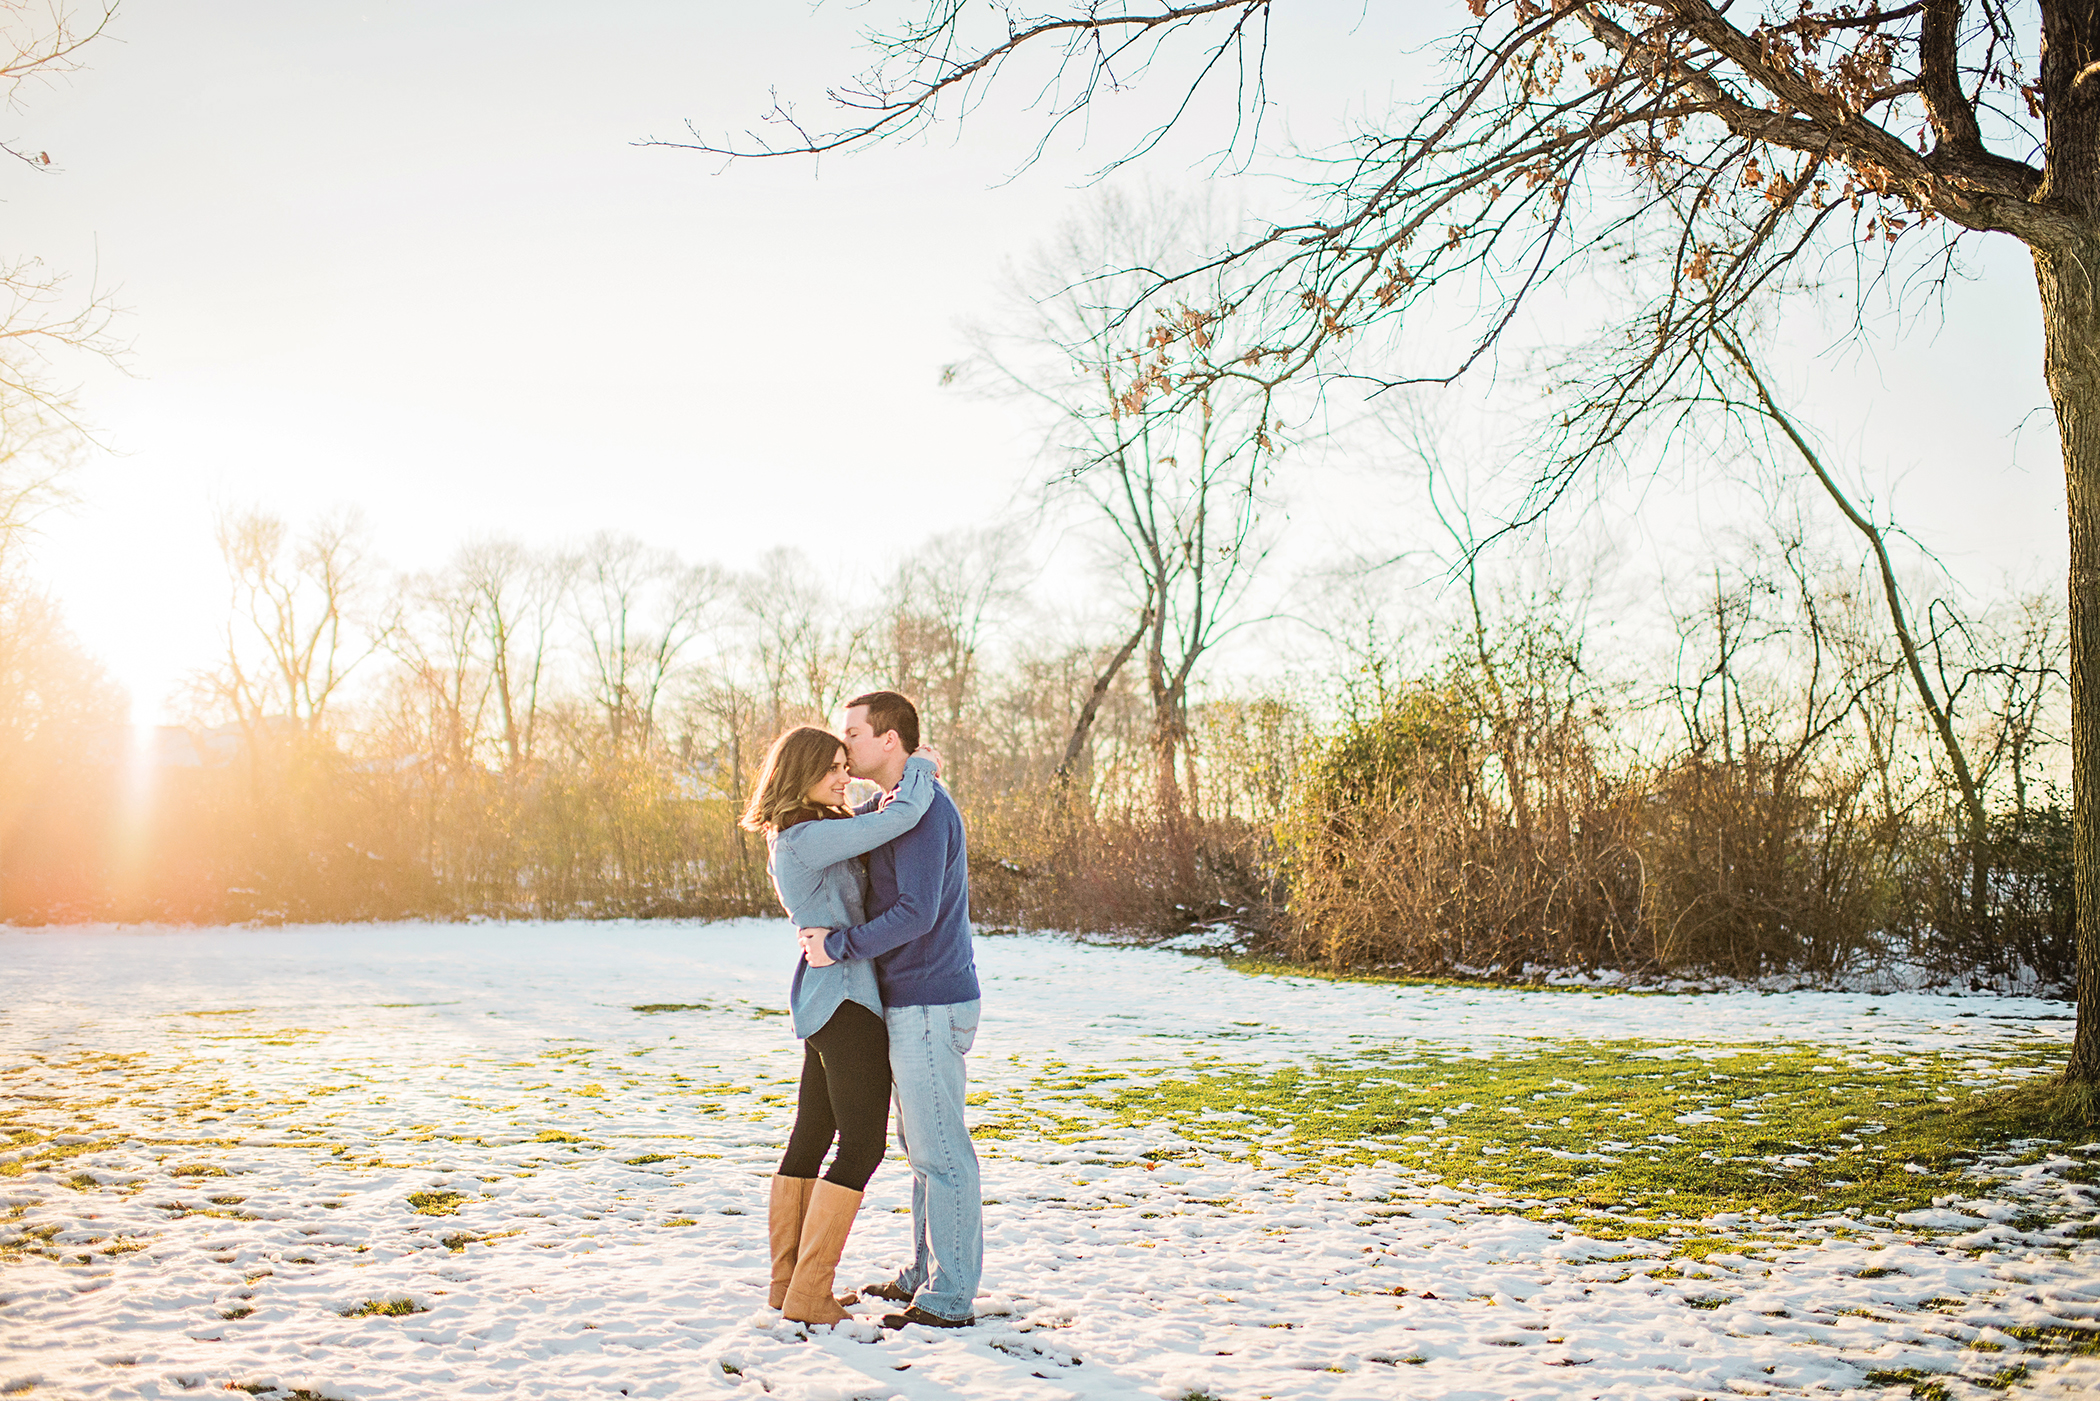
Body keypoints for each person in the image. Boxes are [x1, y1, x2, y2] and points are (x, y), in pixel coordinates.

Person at [740, 723, 942, 1326]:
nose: (842, 775)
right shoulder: (804, 838)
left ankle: (788, 1285)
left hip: (829, 999)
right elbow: (893, 821)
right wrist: (921, 768)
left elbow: (866, 821)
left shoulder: (811, 830)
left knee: (811, 1134)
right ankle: (809, 1292)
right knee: (863, 1145)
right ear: (796, 775)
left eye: (842, 763)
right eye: (829, 767)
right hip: (846, 1002)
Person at [798, 690, 982, 1330]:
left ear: (889, 740)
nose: (842, 745)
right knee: (920, 1146)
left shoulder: (925, 813)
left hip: (932, 998)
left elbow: (916, 913)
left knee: (940, 1151)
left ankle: (949, 1296)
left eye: (852, 734)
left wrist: (839, 947)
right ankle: (924, 1272)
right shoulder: (894, 806)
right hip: (907, 1000)